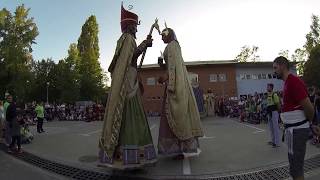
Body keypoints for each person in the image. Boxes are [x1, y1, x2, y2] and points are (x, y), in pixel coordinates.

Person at [99, 4, 157, 170]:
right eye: (135, 27)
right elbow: (130, 58)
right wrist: (144, 45)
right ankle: (133, 153)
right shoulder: (129, 39)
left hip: (126, 79)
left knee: (123, 115)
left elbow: (121, 62)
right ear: (129, 26)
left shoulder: (121, 40)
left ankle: (120, 151)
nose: (136, 30)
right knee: (133, 115)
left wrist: (144, 45)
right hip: (128, 81)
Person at [157, 27, 204, 159]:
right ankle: (179, 149)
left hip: (175, 85)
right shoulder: (173, 47)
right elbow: (169, 66)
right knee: (177, 115)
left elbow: (172, 67)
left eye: (163, 35)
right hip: (177, 83)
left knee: (175, 115)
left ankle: (179, 149)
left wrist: (165, 78)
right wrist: (161, 64)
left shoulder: (172, 46)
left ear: (168, 35)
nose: (161, 38)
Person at [273, 56, 314, 180]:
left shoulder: (293, 82)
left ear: (282, 66)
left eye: (275, 68)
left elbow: (309, 107)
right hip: (291, 130)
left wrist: (309, 123)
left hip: (298, 130)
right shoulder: (287, 83)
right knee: (293, 167)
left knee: (296, 169)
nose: (274, 71)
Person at [266, 83, 281, 148]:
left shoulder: (274, 95)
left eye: (268, 87)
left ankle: (277, 143)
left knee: (275, 127)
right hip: (269, 112)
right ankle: (273, 141)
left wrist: (278, 112)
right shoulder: (268, 95)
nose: (267, 88)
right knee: (271, 128)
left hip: (274, 112)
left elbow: (278, 104)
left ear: (271, 88)